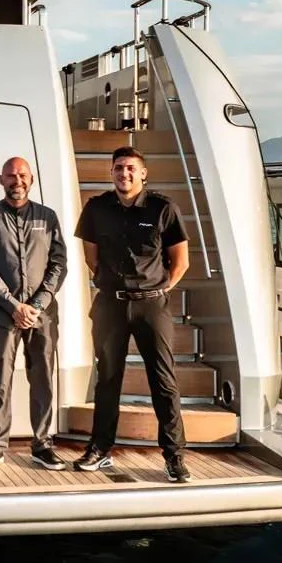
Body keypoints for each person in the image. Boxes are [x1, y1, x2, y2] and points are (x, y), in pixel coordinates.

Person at [73, 146, 192, 483]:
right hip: (110, 305)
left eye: (130, 168)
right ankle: (99, 449)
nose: (123, 174)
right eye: (118, 168)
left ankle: (174, 457)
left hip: (152, 305)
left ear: (143, 173)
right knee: (108, 379)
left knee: (163, 381)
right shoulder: (96, 208)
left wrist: (157, 290)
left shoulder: (163, 208)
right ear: (111, 172)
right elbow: (91, 258)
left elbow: (181, 262)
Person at [0, 156, 69, 472]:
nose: (17, 181)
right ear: (1, 179)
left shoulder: (47, 217)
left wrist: (36, 305)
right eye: (11, 176)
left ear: (31, 179)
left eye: (22, 175)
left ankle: (42, 445)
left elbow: (58, 264)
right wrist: (14, 306)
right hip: (2, 314)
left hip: (42, 316)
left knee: (42, 378)